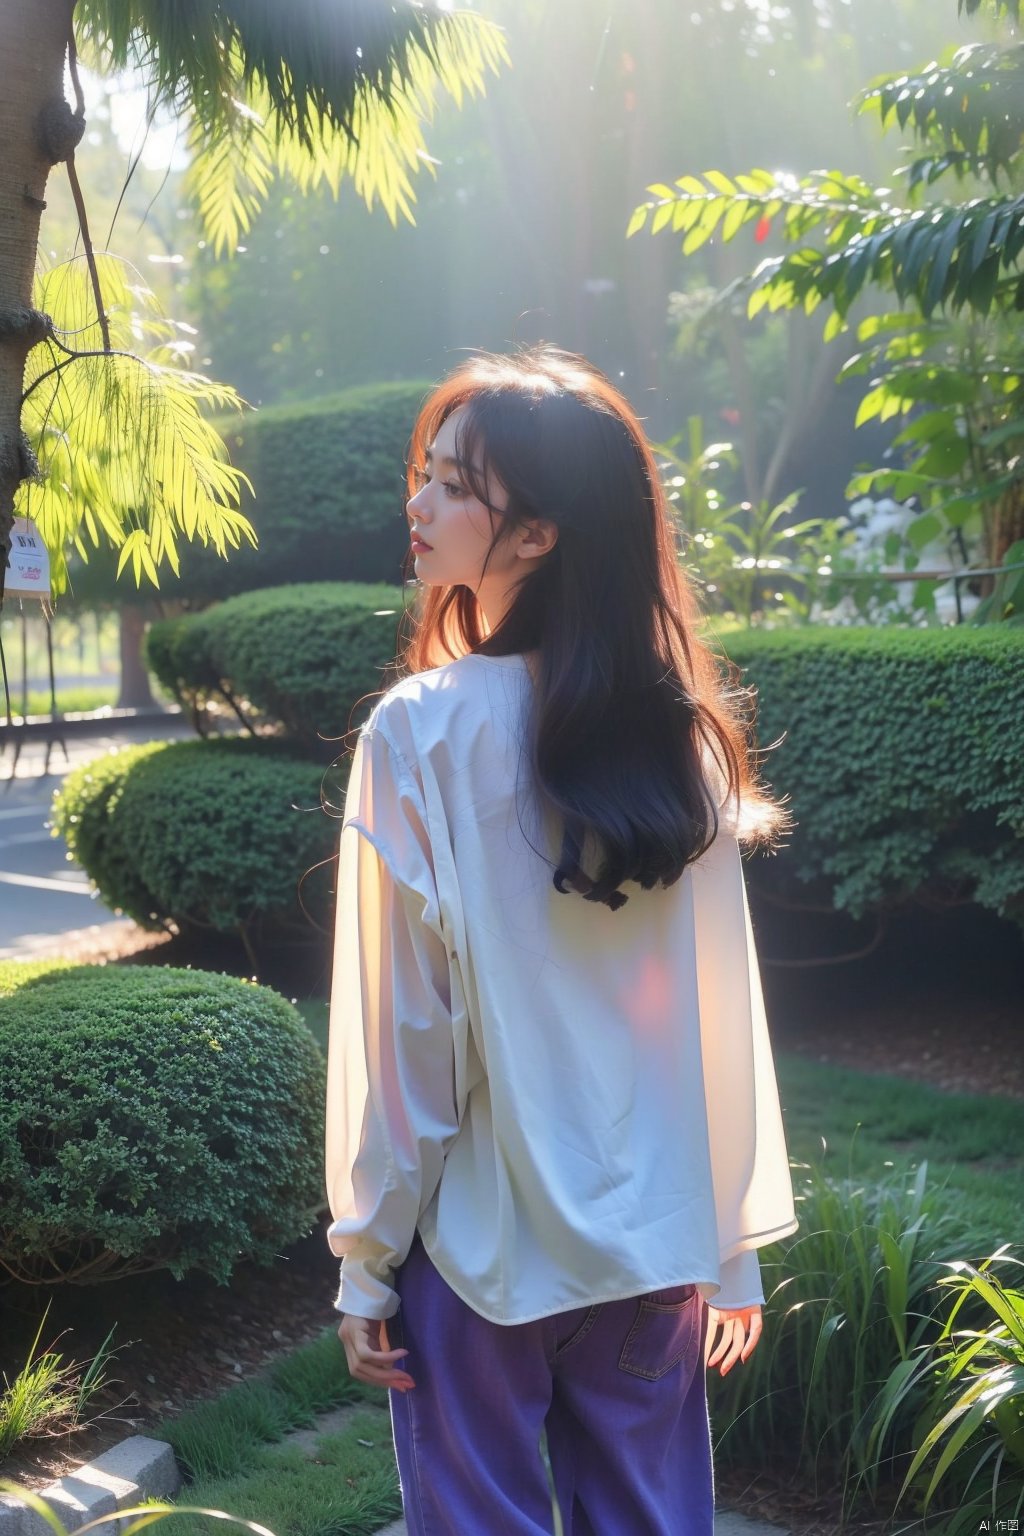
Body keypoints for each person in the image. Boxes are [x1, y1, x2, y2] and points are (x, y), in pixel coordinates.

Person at [325, 345, 798, 1535]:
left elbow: (407, 1042)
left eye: (449, 484)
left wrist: (366, 1258)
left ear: (535, 536)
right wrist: (727, 1248)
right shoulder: (678, 737)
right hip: (654, 1256)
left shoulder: (420, 735)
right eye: (422, 474)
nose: (416, 504)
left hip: (484, 1254)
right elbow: (718, 1016)